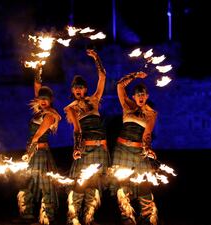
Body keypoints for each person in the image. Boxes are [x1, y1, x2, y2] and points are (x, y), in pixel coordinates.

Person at [64, 49, 110, 225]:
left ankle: (89, 218)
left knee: (93, 184)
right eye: (76, 87)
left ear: (85, 89)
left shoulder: (94, 100)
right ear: (72, 90)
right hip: (84, 148)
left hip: (100, 148)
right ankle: (73, 218)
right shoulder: (72, 108)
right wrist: (76, 148)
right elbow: (77, 130)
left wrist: (96, 58)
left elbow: (103, 77)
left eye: (81, 86)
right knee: (79, 184)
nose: (78, 89)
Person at [15, 64, 61, 225]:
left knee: (44, 184)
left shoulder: (48, 116)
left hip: (39, 153)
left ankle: (47, 216)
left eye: (45, 99)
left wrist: (29, 153)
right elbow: (37, 87)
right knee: (27, 183)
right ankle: (26, 215)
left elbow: (36, 137)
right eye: (40, 98)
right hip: (33, 152)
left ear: (50, 101)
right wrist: (38, 68)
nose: (42, 101)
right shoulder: (39, 111)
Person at [111, 71, 159, 225]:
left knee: (144, 185)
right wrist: (135, 75)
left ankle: (148, 219)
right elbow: (119, 85)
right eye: (138, 94)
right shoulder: (127, 105)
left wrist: (148, 148)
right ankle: (127, 220)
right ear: (134, 96)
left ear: (147, 96)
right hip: (122, 150)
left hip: (139, 152)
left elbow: (147, 134)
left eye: (143, 94)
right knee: (123, 186)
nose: (140, 96)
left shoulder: (151, 114)